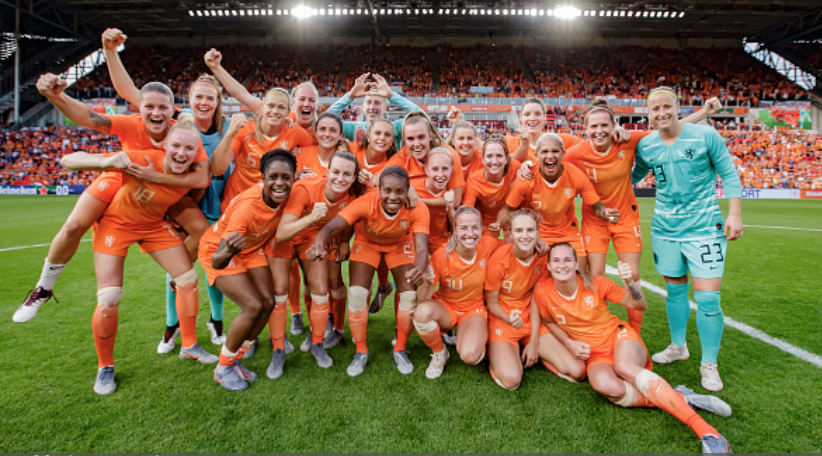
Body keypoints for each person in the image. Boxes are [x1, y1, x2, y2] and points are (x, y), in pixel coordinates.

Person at [14, 72, 208, 324]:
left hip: (167, 185)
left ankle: (178, 275)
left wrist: (154, 178)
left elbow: (201, 177)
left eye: (163, 107)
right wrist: (56, 96)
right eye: (149, 106)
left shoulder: (183, 135)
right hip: (124, 177)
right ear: (140, 107)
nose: (156, 113)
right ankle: (43, 288)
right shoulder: (131, 123)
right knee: (74, 225)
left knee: (202, 229)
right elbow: (86, 117)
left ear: (173, 110)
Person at [97, 28, 233, 352]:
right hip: (180, 207)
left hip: (216, 207)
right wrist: (110, 52)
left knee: (215, 269)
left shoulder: (228, 130)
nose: (203, 102)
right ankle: (172, 327)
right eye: (198, 96)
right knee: (179, 272)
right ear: (189, 100)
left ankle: (216, 322)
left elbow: (218, 170)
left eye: (210, 98)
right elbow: (131, 92)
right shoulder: (178, 124)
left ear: (217, 103)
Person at [59, 113, 215, 395]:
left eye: (189, 149)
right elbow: (68, 160)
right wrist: (103, 161)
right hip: (115, 226)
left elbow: (203, 178)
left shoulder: (193, 177)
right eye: (177, 146)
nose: (182, 153)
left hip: (154, 227)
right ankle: (104, 367)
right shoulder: (139, 159)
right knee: (108, 298)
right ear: (165, 144)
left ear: (197, 153)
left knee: (188, 279)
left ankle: (189, 346)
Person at [534, 243, 732, 453]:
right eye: (556, 260)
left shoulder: (596, 283)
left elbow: (640, 305)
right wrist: (570, 344)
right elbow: (551, 322)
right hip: (595, 354)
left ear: (576, 264)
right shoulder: (543, 292)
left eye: (567, 260)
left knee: (624, 367)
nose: (562, 265)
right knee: (605, 386)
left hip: (619, 337)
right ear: (548, 265)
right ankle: (682, 398)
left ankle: (709, 433)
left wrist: (629, 282)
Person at [565, 96, 723, 336]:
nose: (599, 131)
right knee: (595, 276)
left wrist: (704, 112)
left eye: (604, 125)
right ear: (585, 129)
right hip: (595, 221)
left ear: (614, 125)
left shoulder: (629, 141)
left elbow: (668, 130)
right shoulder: (576, 153)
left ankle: (635, 334)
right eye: (593, 126)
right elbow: (548, 162)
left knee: (633, 276)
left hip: (627, 219)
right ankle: (598, 328)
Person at [633, 87, 743, 392]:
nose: (661, 113)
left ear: (677, 107)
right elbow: (630, 175)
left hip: (705, 227)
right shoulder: (646, 145)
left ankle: (709, 364)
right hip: (666, 228)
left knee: (708, 299)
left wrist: (734, 214)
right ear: (649, 114)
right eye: (655, 109)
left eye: (667, 107)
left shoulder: (706, 136)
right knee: (675, 292)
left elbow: (729, 174)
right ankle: (678, 346)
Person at [307, 166, 429, 376]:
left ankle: (400, 347)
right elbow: (329, 228)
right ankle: (361, 350)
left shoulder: (418, 207)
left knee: (409, 295)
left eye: (400, 191)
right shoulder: (365, 202)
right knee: (357, 295)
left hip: (399, 243)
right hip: (368, 242)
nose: (393, 196)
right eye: (387, 190)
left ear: (408, 191)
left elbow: (422, 247)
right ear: (378, 190)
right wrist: (319, 243)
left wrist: (419, 268)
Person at [198, 149, 297, 391]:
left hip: (251, 250)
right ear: (262, 177)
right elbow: (217, 261)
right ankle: (222, 368)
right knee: (253, 306)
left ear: (294, 178)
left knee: (268, 302)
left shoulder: (291, 194)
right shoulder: (247, 209)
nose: (280, 183)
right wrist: (230, 250)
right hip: (220, 252)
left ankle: (235, 360)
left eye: (287, 177)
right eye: (273, 177)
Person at [274, 151, 365, 363]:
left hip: (315, 238)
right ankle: (276, 343)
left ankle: (318, 340)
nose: (340, 178)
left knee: (321, 287)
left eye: (346, 174)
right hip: (286, 237)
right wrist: (313, 217)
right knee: (278, 289)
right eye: (335, 172)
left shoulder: (354, 194)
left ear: (354, 178)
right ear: (327, 171)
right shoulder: (305, 188)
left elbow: (353, 218)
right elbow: (283, 233)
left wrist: (343, 240)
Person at [485, 210, 586, 389]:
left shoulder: (543, 257)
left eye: (530, 230)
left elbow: (536, 298)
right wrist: (508, 318)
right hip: (503, 321)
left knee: (578, 371)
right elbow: (492, 303)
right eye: (519, 231)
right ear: (510, 232)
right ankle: (497, 355)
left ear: (538, 233)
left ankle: (536, 353)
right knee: (511, 381)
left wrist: (534, 342)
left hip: (531, 318)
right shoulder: (499, 259)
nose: (525, 236)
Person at [495, 132, 619, 272]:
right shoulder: (527, 179)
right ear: (536, 156)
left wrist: (607, 213)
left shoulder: (576, 175)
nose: (550, 156)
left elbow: (597, 208)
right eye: (544, 152)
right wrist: (499, 226)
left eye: (555, 151)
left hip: (568, 233)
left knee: (581, 273)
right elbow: (508, 209)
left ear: (563, 154)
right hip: (538, 234)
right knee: (536, 279)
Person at [414, 207, 502, 379]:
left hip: (473, 309)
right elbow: (421, 299)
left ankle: (469, 335)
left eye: (475, 227)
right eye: (463, 228)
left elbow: (514, 247)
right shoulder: (441, 255)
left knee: (471, 356)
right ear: (455, 230)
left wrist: (538, 242)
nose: (470, 233)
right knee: (422, 313)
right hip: (447, 308)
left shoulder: (489, 244)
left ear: (482, 228)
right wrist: (430, 283)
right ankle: (440, 354)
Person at [204, 48, 319, 135]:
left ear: (317, 104)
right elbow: (243, 95)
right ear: (293, 103)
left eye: (312, 100)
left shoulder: (323, 130)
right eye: (302, 99)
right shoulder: (280, 113)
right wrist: (216, 67)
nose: (306, 104)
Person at [327, 72, 421, 147]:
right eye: (369, 102)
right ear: (363, 106)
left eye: (377, 103)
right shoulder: (353, 128)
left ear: (384, 107)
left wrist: (391, 96)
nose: (372, 107)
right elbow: (325, 120)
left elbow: (421, 119)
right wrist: (350, 96)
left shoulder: (396, 127)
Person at [462, 136, 521, 239]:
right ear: (483, 160)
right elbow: (468, 210)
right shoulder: (474, 180)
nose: (494, 161)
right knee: (487, 248)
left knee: (517, 247)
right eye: (489, 156)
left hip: (513, 218)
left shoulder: (517, 168)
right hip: (488, 222)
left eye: (499, 156)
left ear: (506, 159)